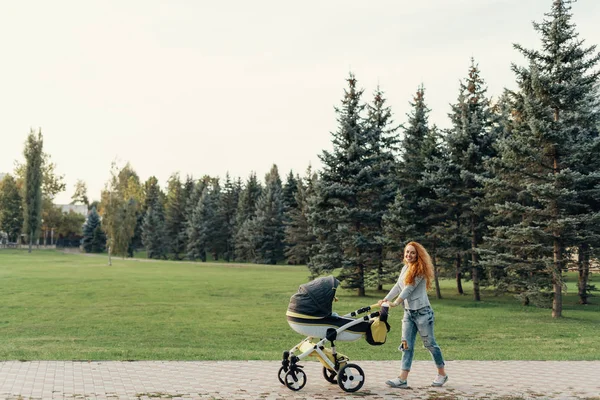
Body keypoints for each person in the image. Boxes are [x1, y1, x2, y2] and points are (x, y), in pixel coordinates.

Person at [378, 241, 448, 388]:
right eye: (407, 252)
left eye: (412, 252)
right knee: (406, 345)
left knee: (430, 344)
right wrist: (386, 299)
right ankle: (402, 379)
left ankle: (442, 374)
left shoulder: (419, 270)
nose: (409, 255)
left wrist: (396, 303)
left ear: (418, 255)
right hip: (409, 313)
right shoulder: (405, 268)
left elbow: (408, 289)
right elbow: (398, 286)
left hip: (423, 313)